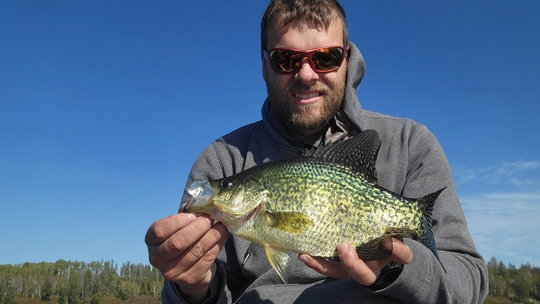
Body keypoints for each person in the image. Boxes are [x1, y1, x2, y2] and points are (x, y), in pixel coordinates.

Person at [145, 0, 489, 303]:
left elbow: (468, 283)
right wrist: (191, 288)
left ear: (347, 59)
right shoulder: (222, 160)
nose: (306, 74)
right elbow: (202, 292)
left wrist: (393, 268)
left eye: (326, 57)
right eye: (286, 59)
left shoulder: (410, 143)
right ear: (264, 64)